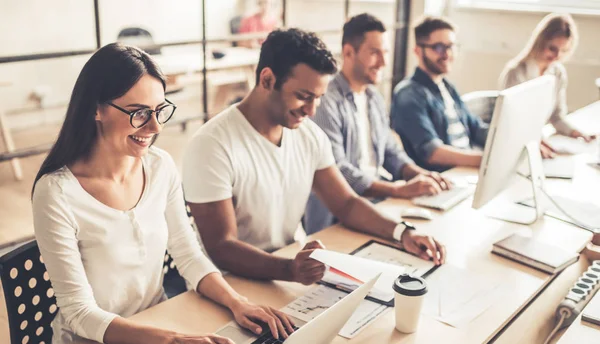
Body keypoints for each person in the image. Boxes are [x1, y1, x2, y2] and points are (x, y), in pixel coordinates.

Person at [31, 43, 293, 344]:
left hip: (155, 332)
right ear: (96, 109)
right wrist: (173, 341)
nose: (155, 128)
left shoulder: (159, 167)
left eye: (160, 110)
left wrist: (238, 303)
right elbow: (80, 313)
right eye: (139, 113)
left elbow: (188, 254)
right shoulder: (56, 193)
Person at [182, 28, 447, 287]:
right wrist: (290, 269)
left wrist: (403, 233)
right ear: (267, 80)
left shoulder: (308, 135)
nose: (311, 110)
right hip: (227, 285)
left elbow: (345, 203)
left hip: (286, 270)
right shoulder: (211, 145)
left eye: (318, 98)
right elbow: (221, 247)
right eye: (303, 97)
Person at [304, 13, 451, 234]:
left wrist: (420, 175)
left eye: (385, 52)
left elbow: (391, 151)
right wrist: (396, 189)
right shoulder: (326, 100)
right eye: (374, 53)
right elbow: (338, 170)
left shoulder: (374, 97)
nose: (383, 62)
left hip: (379, 203)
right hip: (338, 219)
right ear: (348, 53)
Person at [390, 16, 488, 172]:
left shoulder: (447, 87)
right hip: (442, 178)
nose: (447, 54)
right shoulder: (408, 95)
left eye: (451, 46)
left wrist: (514, 141)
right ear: (417, 51)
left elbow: (476, 129)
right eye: (438, 47)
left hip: (466, 171)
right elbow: (431, 153)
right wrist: (486, 160)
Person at [499, 13, 596, 151]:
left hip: (539, 140)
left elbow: (556, 117)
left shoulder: (558, 72)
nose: (557, 56)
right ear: (540, 42)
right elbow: (512, 121)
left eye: (564, 51)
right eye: (552, 48)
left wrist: (576, 133)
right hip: (518, 143)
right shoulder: (516, 72)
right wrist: (534, 140)